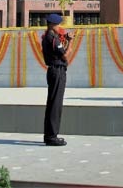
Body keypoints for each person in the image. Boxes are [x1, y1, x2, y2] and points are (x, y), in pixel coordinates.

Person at [41, 13, 70, 146]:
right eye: (58, 25)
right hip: (57, 70)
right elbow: (65, 55)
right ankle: (52, 136)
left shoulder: (50, 37)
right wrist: (71, 42)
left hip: (54, 70)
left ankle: (50, 135)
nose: (59, 27)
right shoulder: (52, 38)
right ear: (52, 25)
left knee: (53, 103)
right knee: (55, 104)